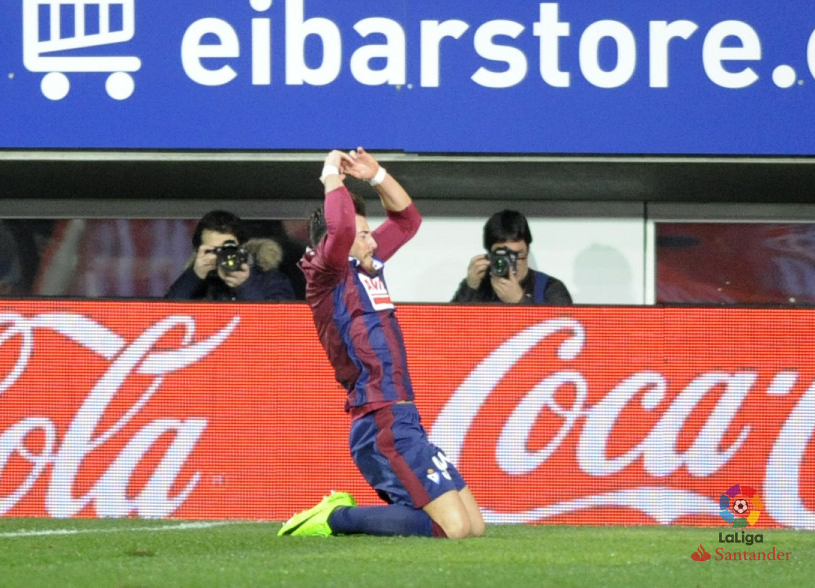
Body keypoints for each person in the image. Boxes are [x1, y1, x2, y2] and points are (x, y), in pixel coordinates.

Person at [278, 147, 485, 540]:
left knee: (473, 526)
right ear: (333, 245)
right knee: (452, 528)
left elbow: (407, 220)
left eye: (370, 232)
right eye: (364, 235)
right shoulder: (325, 275)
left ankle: (377, 514)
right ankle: (334, 518)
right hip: (379, 418)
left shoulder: (365, 267)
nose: (373, 241)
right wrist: (330, 176)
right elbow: (339, 230)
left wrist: (376, 175)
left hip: (404, 416)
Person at [165, 209, 295, 301]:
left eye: (228, 249)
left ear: (243, 248)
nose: (222, 256)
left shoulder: (270, 280)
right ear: (200, 252)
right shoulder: (195, 283)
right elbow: (163, 317)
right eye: (213, 251)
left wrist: (245, 285)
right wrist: (194, 277)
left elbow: (279, 324)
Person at [451, 209, 573, 305]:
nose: (511, 262)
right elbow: (445, 329)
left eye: (518, 255)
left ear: (528, 250)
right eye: (503, 255)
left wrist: (520, 301)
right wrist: (469, 287)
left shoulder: (549, 288)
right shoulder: (478, 286)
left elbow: (564, 330)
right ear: (489, 254)